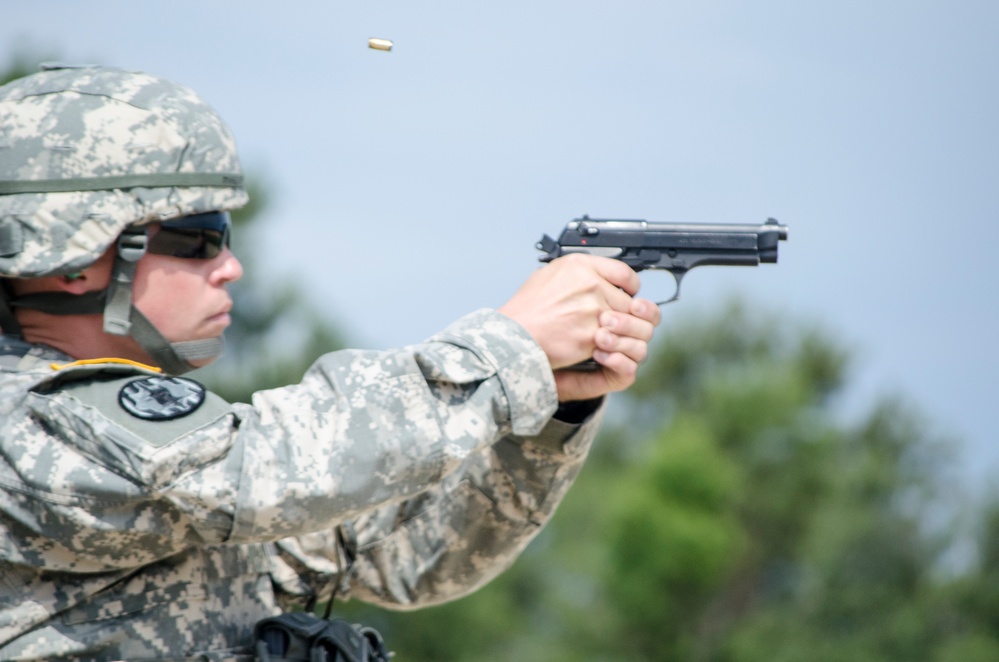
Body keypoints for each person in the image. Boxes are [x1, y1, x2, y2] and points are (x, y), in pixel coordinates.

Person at [0, 64, 660, 661]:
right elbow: (263, 469)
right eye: (198, 239)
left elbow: (404, 557)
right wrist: (507, 347)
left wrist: (552, 400)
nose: (231, 267)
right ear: (78, 260)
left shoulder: (143, 469)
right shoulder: (30, 424)